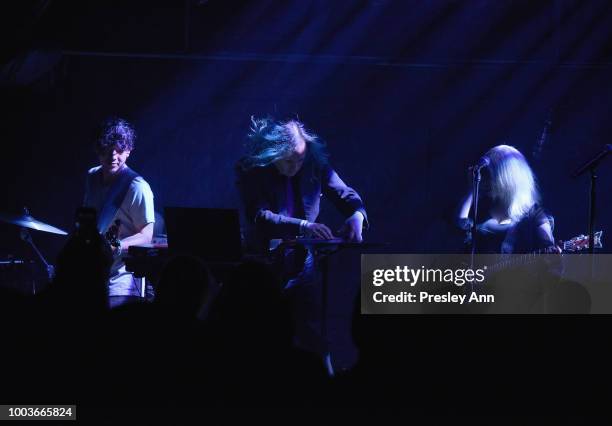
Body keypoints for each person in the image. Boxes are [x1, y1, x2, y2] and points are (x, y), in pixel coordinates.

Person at [235, 116, 368, 370]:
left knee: (310, 332)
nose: (296, 165)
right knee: (263, 333)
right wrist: (305, 226)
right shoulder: (251, 171)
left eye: (300, 159)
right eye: (289, 160)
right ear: (273, 154)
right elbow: (259, 216)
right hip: (263, 264)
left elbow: (345, 194)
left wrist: (357, 215)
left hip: (301, 264)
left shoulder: (315, 165)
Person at [83, 117, 155, 308]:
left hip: (121, 281)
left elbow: (147, 236)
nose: (113, 156)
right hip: (92, 276)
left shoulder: (137, 187)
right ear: (98, 149)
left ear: (129, 151)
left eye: (120, 150)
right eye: (107, 149)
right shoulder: (92, 177)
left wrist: (116, 246)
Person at [456, 144, 560, 254]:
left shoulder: (535, 215)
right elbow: (460, 224)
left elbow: (549, 249)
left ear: (505, 179)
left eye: (491, 175)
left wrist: (553, 255)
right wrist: (472, 189)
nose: (486, 180)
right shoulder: (484, 206)